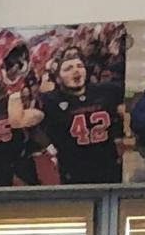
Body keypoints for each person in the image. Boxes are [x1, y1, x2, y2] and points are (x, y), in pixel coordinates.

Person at [14, 50, 125, 186]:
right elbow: (26, 123)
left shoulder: (105, 91)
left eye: (79, 66)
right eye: (68, 69)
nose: (76, 70)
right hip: (73, 169)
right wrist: (50, 147)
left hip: (108, 165)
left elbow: (131, 97)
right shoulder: (50, 99)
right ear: (58, 78)